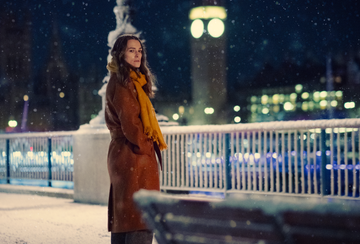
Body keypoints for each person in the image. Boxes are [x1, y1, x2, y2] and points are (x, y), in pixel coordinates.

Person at [105, 34, 167, 244]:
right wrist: (145, 146)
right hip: (132, 156)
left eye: (139, 50)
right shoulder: (125, 83)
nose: (137, 54)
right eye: (131, 50)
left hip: (127, 156)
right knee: (140, 218)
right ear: (120, 54)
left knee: (126, 217)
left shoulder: (129, 81)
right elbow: (131, 124)